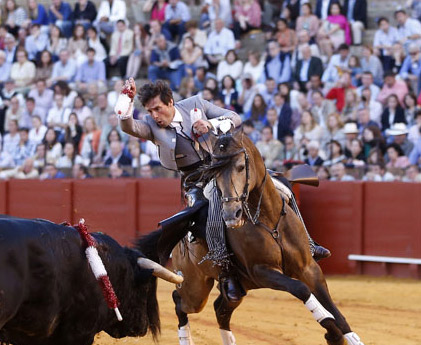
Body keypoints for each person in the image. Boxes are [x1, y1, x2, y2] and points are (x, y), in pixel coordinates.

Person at [119, 79, 328, 303]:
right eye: (150, 111)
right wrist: (126, 102)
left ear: (170, 102)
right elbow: (129, 127)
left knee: (282, 186)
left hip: (225, 168)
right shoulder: (151, 126)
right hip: (197, 181)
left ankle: (308, 243)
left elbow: (234, 117)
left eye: (157, 109)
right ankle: (227, 272)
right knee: (209, 212)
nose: (154, 115)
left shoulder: (195, 104)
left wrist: (211, 125)